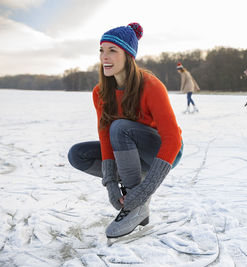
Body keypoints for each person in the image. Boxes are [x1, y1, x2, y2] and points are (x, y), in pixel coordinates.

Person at [67, 22, 183, 238]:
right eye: (101, 50)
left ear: (128, 56)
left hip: (162, 151)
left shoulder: (150, 85)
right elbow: (104, 138)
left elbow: (173, 139)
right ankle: (136, 200)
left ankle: (135, 206)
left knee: (120, 128)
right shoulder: (100, 92)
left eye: (112, 50)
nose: (104, 56)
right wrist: (110, 182)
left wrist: (145, 190)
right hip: (126, 150)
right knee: (78, 154)